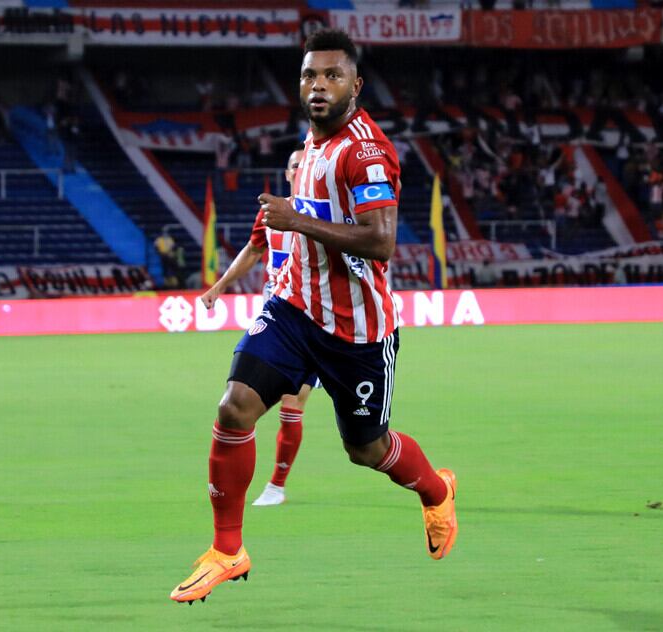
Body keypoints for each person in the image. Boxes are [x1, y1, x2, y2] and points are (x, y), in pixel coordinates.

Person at [171, 29, 457, 606]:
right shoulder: (312, 142)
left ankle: (435, 490)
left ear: (356, 84)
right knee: (234, 406)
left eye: (331, 76)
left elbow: (381, 242)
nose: (318, 85)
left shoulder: (367, 150)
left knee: (367, 449)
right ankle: (228, 550)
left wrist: (295, 220)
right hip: (294, 309)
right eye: (309, 75)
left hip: (357, 331)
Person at [201, 148, 311, 508]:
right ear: (288, 173)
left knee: (294, 406)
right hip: (276, 320)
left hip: (314, 323)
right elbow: (251, 251)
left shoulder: (324, 214)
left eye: (306, 163)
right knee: (238, 401)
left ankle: (277, 485)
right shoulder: (271, 214)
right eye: (296, 164)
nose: (301, 168)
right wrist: (219, 286)